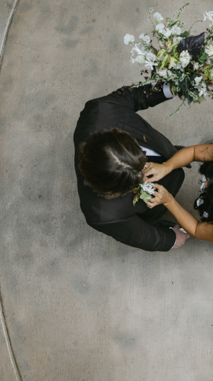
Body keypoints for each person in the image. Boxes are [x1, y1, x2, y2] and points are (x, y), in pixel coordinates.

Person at [74, 81, 189, 252]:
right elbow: (141, 236)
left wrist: (172, 87)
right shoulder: (102, 215)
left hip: (161, 149)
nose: (148, 171)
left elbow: (135, 96)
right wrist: (171, 239)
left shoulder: (100, 110)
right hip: (150, 208)